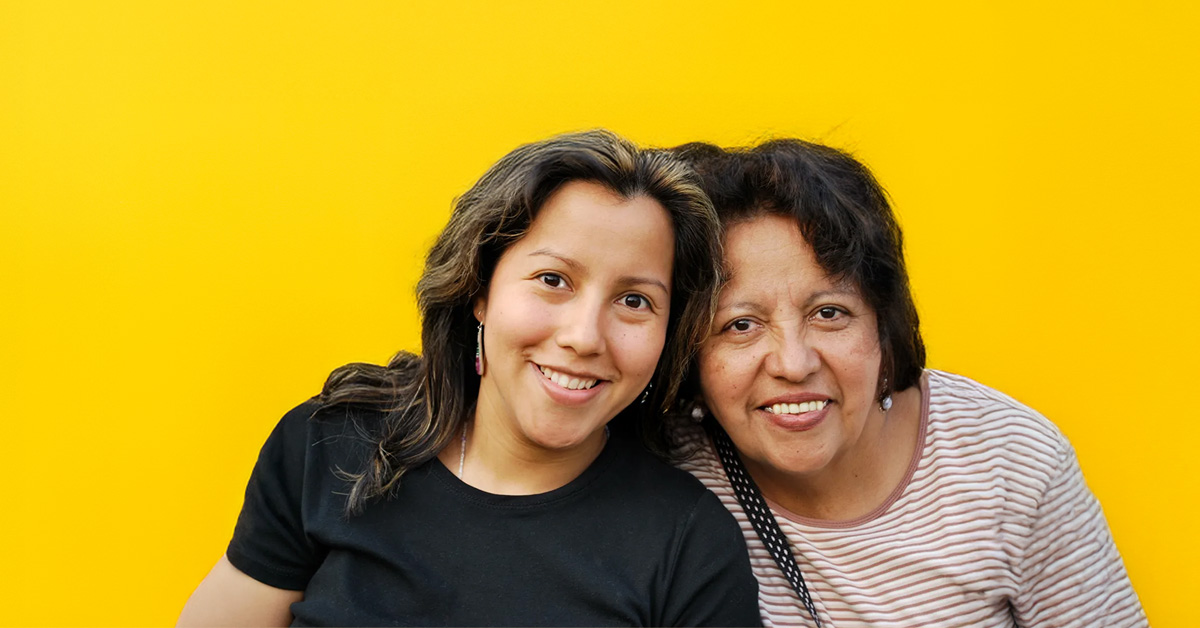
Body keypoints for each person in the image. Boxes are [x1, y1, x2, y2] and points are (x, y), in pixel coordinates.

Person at [177, 130, 760, 627]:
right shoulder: (333, 446)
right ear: (480, 291)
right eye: (553, 280)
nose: (585, 336)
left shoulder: (690, 547)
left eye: (634, 300)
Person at [669, 139, 1147, 627]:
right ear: (688, 351)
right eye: (740, 325)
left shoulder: (1012, 463)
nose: (793, 364)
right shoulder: (662, 474)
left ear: (884, 323)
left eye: (830, 312)